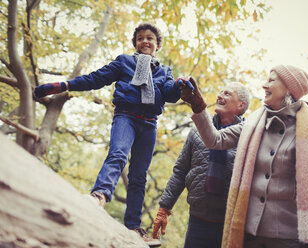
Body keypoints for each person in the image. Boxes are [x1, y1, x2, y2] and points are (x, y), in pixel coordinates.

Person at [33, 23, 193, 247]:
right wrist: (64, 85)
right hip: (125, 116)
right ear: (135, 44)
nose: (145, 41)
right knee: (118, 154)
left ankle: (134, 227)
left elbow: (169, 94)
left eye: (150, 38)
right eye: (140, 38)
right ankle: (99, 196)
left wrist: (179, 85)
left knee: (139, 176)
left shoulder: (164, 71)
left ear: (157, 46)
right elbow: (95, 79)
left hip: (149, 124)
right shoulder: (124, 62)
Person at [180, 66, 308, 248]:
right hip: (250, 234)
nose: (264, 85)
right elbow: (215, 140)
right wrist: (198, 106)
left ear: (289, 88)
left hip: (288, 237)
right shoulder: (253, 123)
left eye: (271, 80)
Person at [152, 82, 250, 247]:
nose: (220, 96)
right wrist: (164, 208)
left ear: (241, 105)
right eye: (220, 92)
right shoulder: (196, 131)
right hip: (197, 221)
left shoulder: (249, 136)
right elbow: (180, 172)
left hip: (231, 224)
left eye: (227, 93)